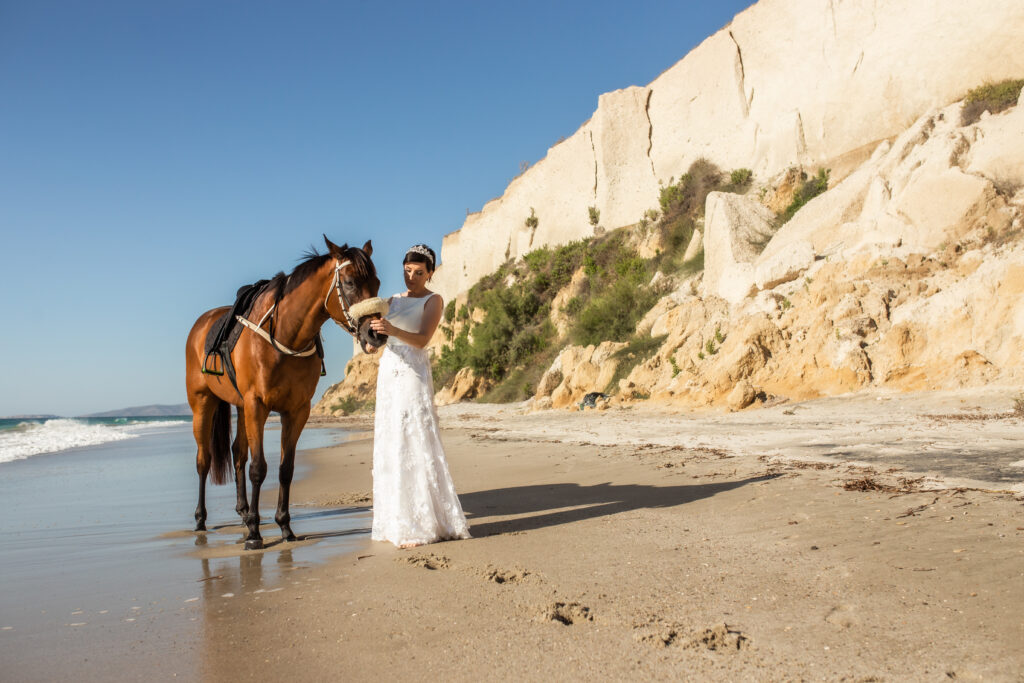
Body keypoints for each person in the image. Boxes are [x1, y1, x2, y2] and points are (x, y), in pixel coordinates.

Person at [365, 244, 471, 548]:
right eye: (407, 271)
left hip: (413, 373)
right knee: (390, 440)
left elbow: (423, 339)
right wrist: (372, 341)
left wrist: (392, 330)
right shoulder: (391, 301)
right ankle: (394, 521)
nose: (411, 277)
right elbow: (378, 341)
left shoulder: (433, 300)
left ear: (430, 274)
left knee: (414, 438)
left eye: (419, 272)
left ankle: (422, 522)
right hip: (389, 373)